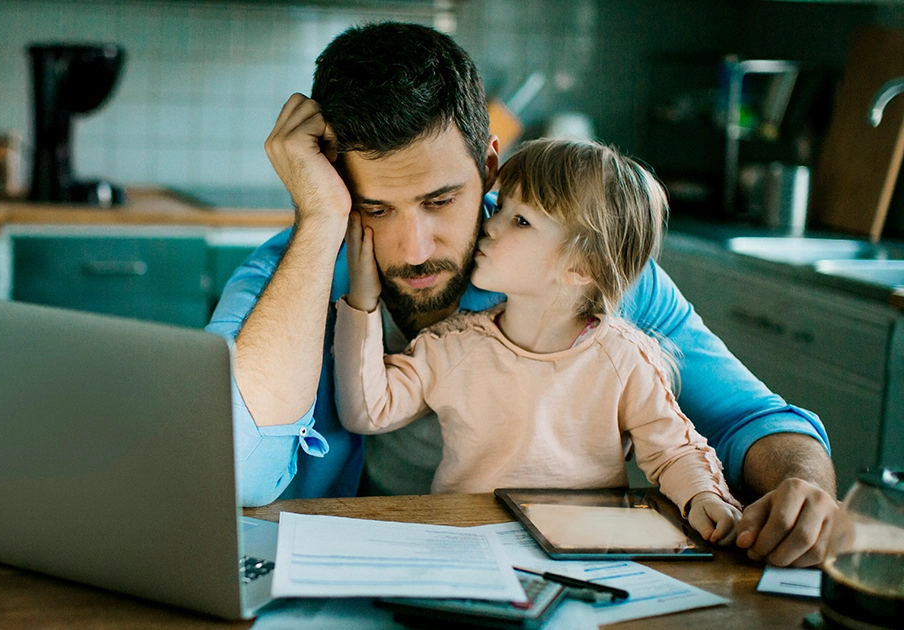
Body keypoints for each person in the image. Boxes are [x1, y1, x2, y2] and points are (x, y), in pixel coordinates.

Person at [206, 21, 838, 567]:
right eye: (374, 208)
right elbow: (233, 472)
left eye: (440, 201)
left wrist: (802, 487)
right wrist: (319, 223)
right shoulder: (285, 279)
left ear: (488, 167)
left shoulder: (581, 271)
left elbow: (750, 418)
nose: (415, 247)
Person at [334, 137, 743, 544]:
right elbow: (368, 412)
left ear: (582, 267)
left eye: (521, 220)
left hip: (586, 552)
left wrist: (705, 496)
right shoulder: (452, 346)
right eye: (503, 206)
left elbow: (673, 452)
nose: (490, 224)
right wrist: (363, 301)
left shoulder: (624, 359)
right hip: (471, 544)